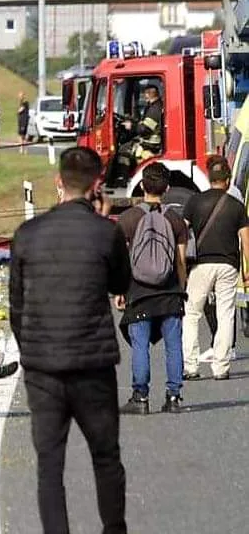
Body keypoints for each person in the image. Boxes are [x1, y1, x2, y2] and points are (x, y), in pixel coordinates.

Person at [9, 146, 131, 534]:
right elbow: (119, 283)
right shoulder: (106, 233)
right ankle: (114, 529)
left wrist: (30, 349)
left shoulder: (27, 234)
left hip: (43, 367)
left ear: (58, 181)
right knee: (106, 455)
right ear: (97, 185)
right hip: (92, 364)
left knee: (49, 463)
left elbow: (16, 305)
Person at [114, 162, 188, 414]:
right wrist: (181, 288)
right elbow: (180, 261)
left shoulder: (128, 219)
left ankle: (140, 397)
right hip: (169, 294)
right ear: (167, 188)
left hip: (139, 292)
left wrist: (120, 290)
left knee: (140, 345)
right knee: (173, 345)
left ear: (142, 186)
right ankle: (174, 397)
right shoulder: (176, 220)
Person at [181, 155, 249, 380]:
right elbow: (246, 240)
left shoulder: (194, 202)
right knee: (226, 313)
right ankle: (221, 367)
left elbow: (182, 233)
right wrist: (248, 269)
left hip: (201, 265)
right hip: (228, 265)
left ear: (209, 179)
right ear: (227, 180)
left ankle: (191, 366)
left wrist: (180, 264)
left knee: (191, 313)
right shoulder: (237, 206)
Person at [112, 84, 164, 186]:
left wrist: (132, 126)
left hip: (150, 143)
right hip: (148, 140)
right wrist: (133, 121)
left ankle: (125, 180)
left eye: (145, 93)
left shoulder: (154, 109)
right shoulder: (154, 106)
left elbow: (145, 129)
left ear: (149, 94)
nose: (144, 96)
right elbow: (144, 123)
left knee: (124, 150)